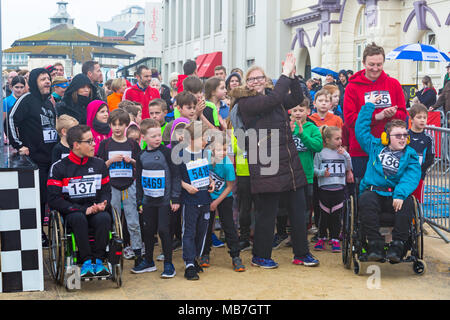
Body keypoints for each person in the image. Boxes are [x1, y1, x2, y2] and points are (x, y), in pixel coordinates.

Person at [230, 53, 319, 268]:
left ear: (266, 80)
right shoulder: (246, 103)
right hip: (265, 161)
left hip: (289, 161)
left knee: (298, 209)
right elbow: (273, 100)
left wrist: (294, 77)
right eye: (251, 78)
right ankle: (260, 255)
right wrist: (284, 74)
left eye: (260, 77)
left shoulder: (274, 97)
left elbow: (297, 99)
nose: (256, 81)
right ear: (246, 84)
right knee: (266, 212)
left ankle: (301, 253)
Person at [356, 93, 421, 263]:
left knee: (407, 203)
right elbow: (361, 130)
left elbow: (411, 176)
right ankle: (375, 244)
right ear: (386, 138)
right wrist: (369, 106)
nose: (402, 138)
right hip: (374, 192)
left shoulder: (411, 155)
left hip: (395, 195)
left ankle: (398, 246)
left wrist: (399, 194)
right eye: (398, 135)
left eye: (405, 135)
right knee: (365, 199)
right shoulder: (375, 146)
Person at [47, 125, 112, 277]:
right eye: (89, 141)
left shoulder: (99, 165)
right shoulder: (59, 168)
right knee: (78, 218)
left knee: (105, 217)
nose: (94, 144)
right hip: (72, 211)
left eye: (93, 140)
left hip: (95, 209)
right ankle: (86, 262)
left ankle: (98, 260)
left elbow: (106, 191)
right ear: (76, 145)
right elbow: (53, 199)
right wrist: (83, 210)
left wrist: (103, 203)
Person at [7, 68, 58, 247]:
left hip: (51, 158)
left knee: (49, 197)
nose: (47, 82)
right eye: (43, 79)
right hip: (35, 160)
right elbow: (11, 119)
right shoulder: (26, 99)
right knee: (38, 199)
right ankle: (37, 233)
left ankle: (50, 232)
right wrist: (19, 145)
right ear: (35, 81)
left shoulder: (49, 103)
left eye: (49, 79)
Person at [344, 42, 407, 182]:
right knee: (363, 192)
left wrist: (393, 115)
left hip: (389, 147)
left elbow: (403, 115)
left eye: (379, 64)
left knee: (388, 190)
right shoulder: (352, 87)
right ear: (363, 63)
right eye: (371, 64)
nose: (375, 68)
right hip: (361, 149)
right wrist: (377, 116)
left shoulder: (393, 84)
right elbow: (349, 120)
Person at [134, 119, 181, 278]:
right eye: (153, 136)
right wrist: (139, 201)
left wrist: (175, 198)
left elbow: (175, 175)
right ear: (143, 137)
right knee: (148, 231)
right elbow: (139, 180)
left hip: (164, 201)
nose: (157, 138)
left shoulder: (166, 153)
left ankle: (168, 263)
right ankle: (148, 261)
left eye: (159, 135)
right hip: (148, 201)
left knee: (164, 230)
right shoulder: (140, 156)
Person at [97, 109, 143, 270]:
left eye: (120, 124)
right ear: (109, 125)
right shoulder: (105, 144)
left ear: (126, 125)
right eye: (114, 124)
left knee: (133, 221)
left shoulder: (132, 144)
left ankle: (138, 253)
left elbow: (141, 164)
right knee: (113, 221)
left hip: (129, 186)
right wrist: (109, 162)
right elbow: (99, 166)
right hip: (112, 187)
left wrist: (132, 161)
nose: (117, 128)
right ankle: (113, 253)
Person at [200, 132, 246, 272]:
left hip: (224, 197)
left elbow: (230, 186)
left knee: (229, 225)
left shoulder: (227, 164)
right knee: (207, 226)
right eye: (220, 149)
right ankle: (205, 253)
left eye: (226, 149)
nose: (223, 152)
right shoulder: (206, 158)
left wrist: (216, 202)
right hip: (208, 196)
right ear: (212, 150)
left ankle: (236, 256)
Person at [176, 121, 215, 280]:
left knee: (202, 231)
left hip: (205, 199)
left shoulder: (204, 153)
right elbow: (175, 177)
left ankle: (196, 258)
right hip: (190, 201)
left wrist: (211, 181)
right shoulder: (180, 155)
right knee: (189, 231)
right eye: (203, 138)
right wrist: (185, 186)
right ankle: (189, 263)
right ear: (192, 139)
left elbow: (207, 173)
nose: (206, 141)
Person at [313, 126, 353, 252]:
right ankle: (321, 237)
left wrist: (346, 155)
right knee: (324, 216)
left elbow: (349, 167)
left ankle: (335, 239)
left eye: (341, 138)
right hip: (324, 189)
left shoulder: (342, 153)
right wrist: (321, 173)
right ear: (327, 140)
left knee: (336, 216)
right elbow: (313, 169)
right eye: (337, 139)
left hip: (339, 189)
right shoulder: (320, 153)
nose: (340, 141)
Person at [290, 99, 323, 230]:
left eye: (301, 110)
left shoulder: (312, 128)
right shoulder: (288, 127)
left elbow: (318, 146)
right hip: (290, 174)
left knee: (305, 205)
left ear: (308, 111)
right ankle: (291, 232)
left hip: (306, 174)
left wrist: (302, 134)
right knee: (291, 205)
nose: (298, 113)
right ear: (290, 112)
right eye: (295, 110)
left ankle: (302, 232)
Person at [408, 104, 435, 203]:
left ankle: (418, 217)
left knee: (417, 201)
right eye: (419, 117)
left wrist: (419, 171)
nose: (422, 120)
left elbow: (430, 158)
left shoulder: (428, 138)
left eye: (425, 117)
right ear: (411, 119)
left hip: (419, 176)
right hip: (404, 175)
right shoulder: (405, 135)